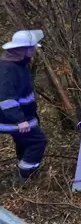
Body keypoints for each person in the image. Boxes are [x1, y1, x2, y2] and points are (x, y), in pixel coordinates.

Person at [0, 30, 47, 180]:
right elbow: (6, 98)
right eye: (31, 48)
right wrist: (20, 120)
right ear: (23, 50)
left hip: (21, 116)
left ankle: (24, 170)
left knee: (24, 141)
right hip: (12, 119)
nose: (33, 52)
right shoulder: (8, 69)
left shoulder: (17, 65)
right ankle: (25, 175)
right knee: (38, 141)